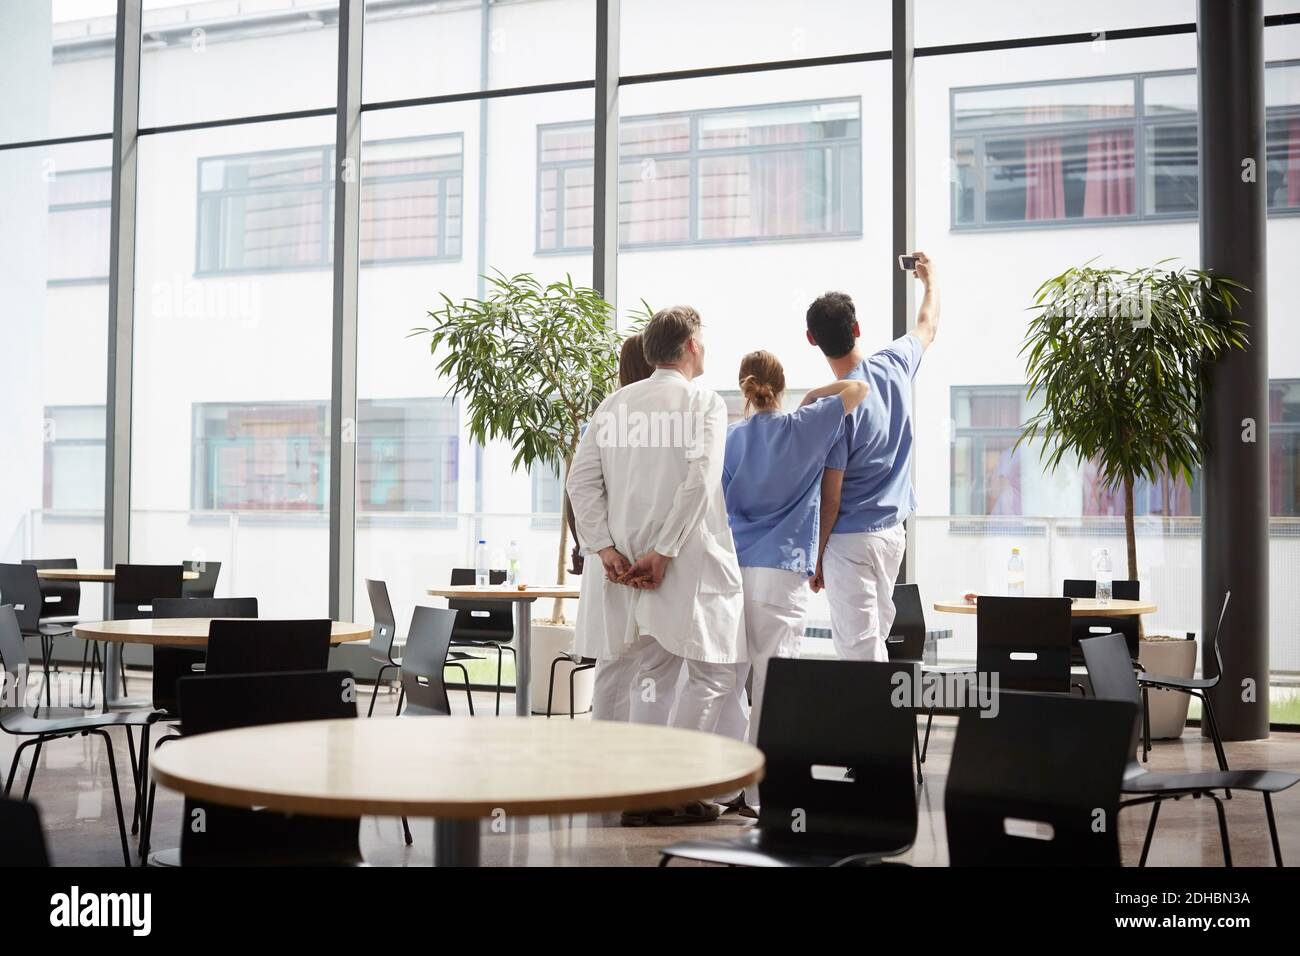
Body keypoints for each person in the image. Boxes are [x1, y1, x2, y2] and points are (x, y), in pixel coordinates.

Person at [567, 305, 744, 826]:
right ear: (690, 346)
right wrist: (664, 551)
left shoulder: (613, 406)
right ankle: (666, 788)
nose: (705, 348)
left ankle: (617, 789)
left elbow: (580, 483)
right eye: (703, 340)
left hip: (619, 568)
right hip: (679, 566)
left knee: (619, 671)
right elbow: (700, 478)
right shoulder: (703, 403)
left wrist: (604, 550)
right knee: (712, 671)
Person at [719, 350, 868, 809]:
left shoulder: (731, 438)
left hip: (734, 573)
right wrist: (816, 394)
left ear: (744, 389)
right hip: (782, 575)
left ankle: (724, 783)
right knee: (772, 685)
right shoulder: (804, 426)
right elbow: (858, 389)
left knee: (728, 681)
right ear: (781, 387)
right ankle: (761, 793)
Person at [805, 251, 939, 662]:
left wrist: (817, 556)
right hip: (893, 535)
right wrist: (929, 281)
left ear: (812, 340)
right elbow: (927, 326)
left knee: (860, 650)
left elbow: (831, 498)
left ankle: (877, 725)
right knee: (877, 640)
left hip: (850, 541)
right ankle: (888, 722)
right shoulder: (895, 364)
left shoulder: (834, 408)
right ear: (857, 328)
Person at [571, 334, 654, 721]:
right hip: (639, 558)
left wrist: (601, 548)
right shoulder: (662, 421)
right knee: (647, 667)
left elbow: (578, 487)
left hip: (609, 558)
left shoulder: (606, 415)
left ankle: (606, 762)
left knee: (615, 664)